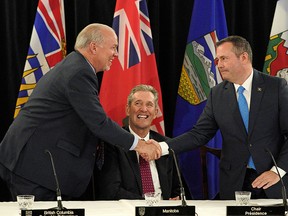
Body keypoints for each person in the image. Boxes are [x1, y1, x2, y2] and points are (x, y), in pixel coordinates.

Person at [0, 23, 161, 201]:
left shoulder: (76, 67)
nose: (115, 54)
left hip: (37, 167)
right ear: (93, 47)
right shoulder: (79, 73)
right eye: (113, 47)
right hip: (35, 169)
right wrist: (140, 145)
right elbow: (99, 123)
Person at [153, 35, 288, 199]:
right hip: (235, 183)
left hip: (273, 182)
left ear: (244, 57)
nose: (218, 65)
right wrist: (161, 148)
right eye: (217, 60)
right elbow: (199, 134)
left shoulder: (276, 87)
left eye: (224, 58)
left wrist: (277, 171)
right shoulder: (217, 94)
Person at [94, 84, 180, 200]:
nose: (144, 109)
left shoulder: (165, 144)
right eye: (138, 103)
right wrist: (149, 204)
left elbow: (177, 188)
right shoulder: (113, 143)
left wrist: (176, 198)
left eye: (149, 105)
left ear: (155, 113)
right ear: (128, 109)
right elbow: (111, 190)